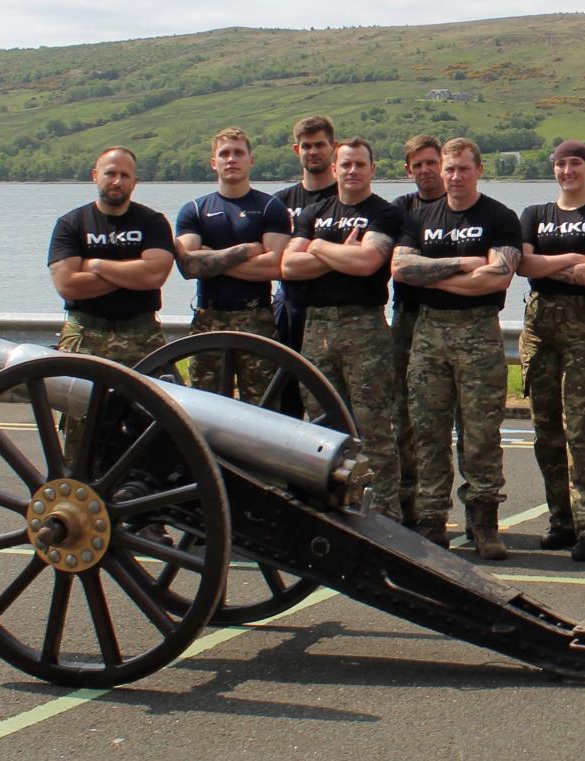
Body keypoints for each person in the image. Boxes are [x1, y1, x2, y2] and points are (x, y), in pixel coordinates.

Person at [393, 138, 521, 556]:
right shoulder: (420, 216)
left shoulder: (499, 217)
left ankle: (484, 523)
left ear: (478, 169)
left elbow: (498, 275)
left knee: (480, 433)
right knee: (428, 431)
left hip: (479, 331)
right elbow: (402, 269)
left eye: (463, 169)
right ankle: (431, 521)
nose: (454, 176)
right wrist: (466, 264)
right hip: (429, 334)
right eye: (449, 169)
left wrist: (433, 275)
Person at [279, 138, 409, 525]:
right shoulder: (314, 212)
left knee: (373, 427)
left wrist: (316, 249)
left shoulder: (384, 214)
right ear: (334, 169)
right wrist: (333, 251)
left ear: (373, 169)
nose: (352, 171)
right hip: (316, 327)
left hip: (364, 326)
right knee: (322, 428)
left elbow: (367, 261)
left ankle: (386, 514)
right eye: (346, 164)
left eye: (360, 165)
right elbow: (287, 267)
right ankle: (332, 509)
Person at [517, 141, 585, 561]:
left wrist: (547, 262)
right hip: (539, 329)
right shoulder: (534, 215)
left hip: (583, 328)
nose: (566, 170)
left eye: (574, 163)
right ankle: (560, 519)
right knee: (545, 431)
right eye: (560, 164)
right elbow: (523, 266)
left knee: (579, 429)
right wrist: (569, 259)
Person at [172, 128, 289, 398]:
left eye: (238, 153)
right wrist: (247, 250)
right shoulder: (195, 209)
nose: (231, 159)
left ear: (251, 160)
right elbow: (188, 265)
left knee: (264, 406)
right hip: (207, 319)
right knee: (203, 406)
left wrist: (213, 258)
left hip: (257, 319)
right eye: (224, 154)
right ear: (214, 163)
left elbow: (274, 267)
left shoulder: (271, 207)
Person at [49, 142, 175, 365]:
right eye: (110, 173)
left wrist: (96, 265)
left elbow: (155, 275)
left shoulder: (153, 222)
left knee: (146, 400)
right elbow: (67, 285)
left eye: (125, 175)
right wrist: (133, 273)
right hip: (84, 334)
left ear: (135, 181)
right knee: (77, 400)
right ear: (95, 175)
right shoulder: (71, 224)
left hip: (142, 335)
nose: (117, 181)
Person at [390, 135, 451, 519]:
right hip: (407, 320)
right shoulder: (401, 210)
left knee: (456, 423)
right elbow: (401, 269)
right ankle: (408, 507)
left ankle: (455, 511)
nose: (425, 170)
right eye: (418, 165)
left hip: (453, 320)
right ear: (407, 170)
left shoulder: (462, 205)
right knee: (407, 419)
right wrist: (460, 266)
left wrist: (424, 270)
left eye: (432, 162)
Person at [271, 116, 338, 353]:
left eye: (320, 144)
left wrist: (302, 252)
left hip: (335, 309)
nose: (313, 151)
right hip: (289, 307)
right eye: (307, 146)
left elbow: (359, 256)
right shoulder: (279, 202)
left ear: (334, 147)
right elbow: (276, 259)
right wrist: (336, 253)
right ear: (296, 150)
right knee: (286, 385)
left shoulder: (348, 198)